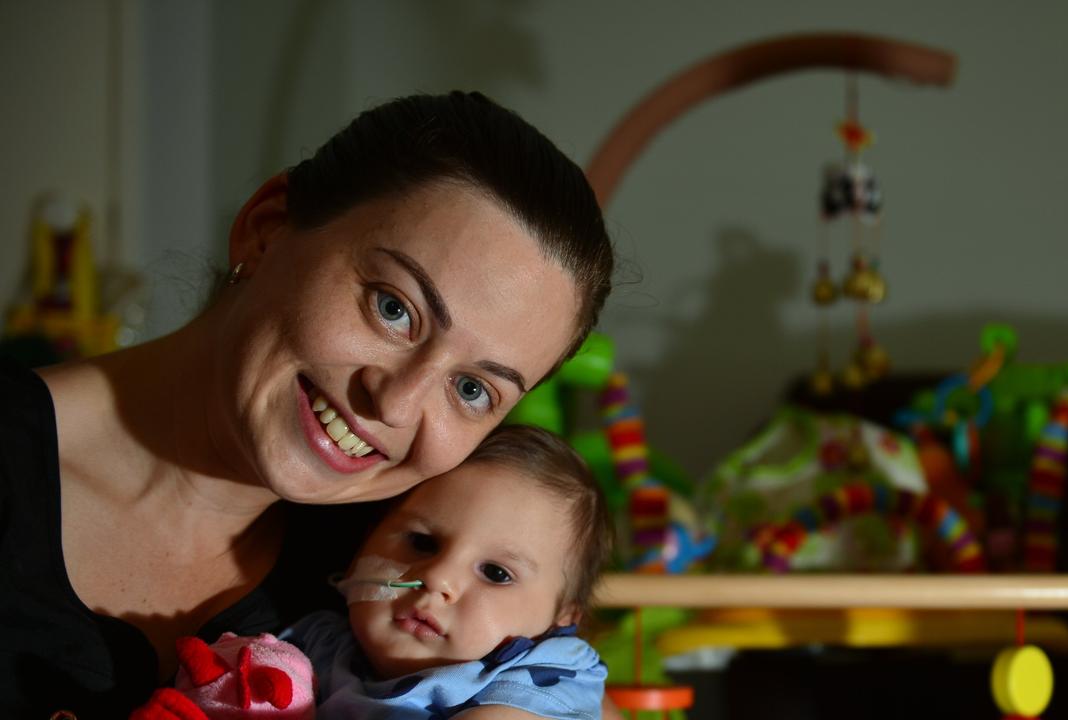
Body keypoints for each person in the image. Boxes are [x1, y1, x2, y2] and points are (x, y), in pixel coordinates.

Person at [0, 91, 614, 718]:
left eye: (473, 389)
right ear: (266, 230)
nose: (398, 405)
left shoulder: (397, 550)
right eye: (393, 308)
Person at [136, 424, 612, 719]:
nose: (436, 580)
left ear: (560, 616)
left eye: (496, 573)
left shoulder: (534, 680)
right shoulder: (317, 642)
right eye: (421, 542)